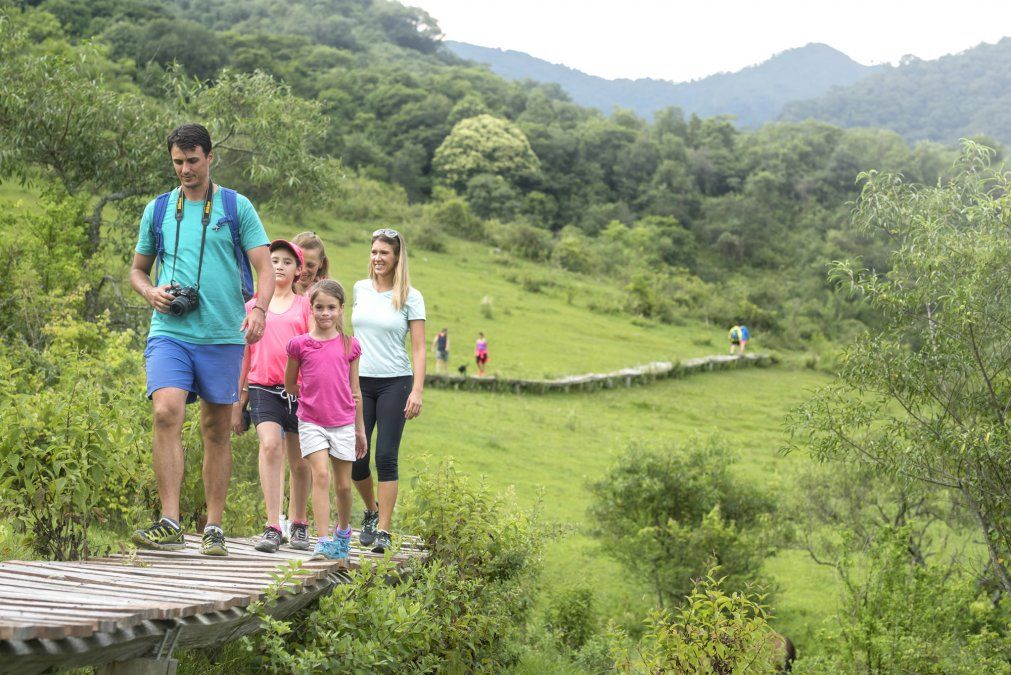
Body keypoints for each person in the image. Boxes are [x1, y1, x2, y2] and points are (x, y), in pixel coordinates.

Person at [129, 123, 274, 556]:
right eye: (178, 162)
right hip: (171, 330)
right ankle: (170, 521)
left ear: (210, 157)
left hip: (222, 334)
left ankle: (213, 526)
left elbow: (265, 268)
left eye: (193, 160)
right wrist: (149, 290)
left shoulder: (236, 206)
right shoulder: (157, 210)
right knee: (166, 411)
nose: (185, 169)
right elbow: (137, 269)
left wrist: (261, 310)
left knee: (216, 427)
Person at [232, 239, 313, 553]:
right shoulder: (253, 307)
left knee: (301, 461)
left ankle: (300, 523)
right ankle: (272, 524)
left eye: (287, 262)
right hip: (262, 388)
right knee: (269, 445)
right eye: (274, 260)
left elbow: (315, 349)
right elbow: (244, 355)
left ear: (297, 270)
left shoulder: (305, 306)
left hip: (300, 391)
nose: (279, 266)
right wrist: (238, 400)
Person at [351, 228, 426, 553]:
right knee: (356, 458)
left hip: (396, 382)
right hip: (359, 383)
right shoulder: (359, 289)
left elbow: (420, 348)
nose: (377, 258)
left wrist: (418, 391)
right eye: (374, 252)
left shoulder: (411, 296)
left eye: (384, 253)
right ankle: (371, 510)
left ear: (397, 257)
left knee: (385, 456)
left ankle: (383, 531)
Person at [285, 280, 366, 567]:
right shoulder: (299, 345)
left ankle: (343, 533)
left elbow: (355, 391)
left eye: (331, 308)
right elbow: (290, 383)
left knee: (344, 486)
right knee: (320, 475)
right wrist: (310, 398)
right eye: (319, 307)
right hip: (311, 421)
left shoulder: (350, 345)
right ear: (312, 308)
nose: (324, 313)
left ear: (341, 310)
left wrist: (360, 430)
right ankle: (322, 540)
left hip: (343, 422)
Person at [292, 231, 330, 297]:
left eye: (310, 265)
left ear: (321, 263)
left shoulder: (328, 295)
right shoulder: (273, 289)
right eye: (298, 263)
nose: (303, 270)